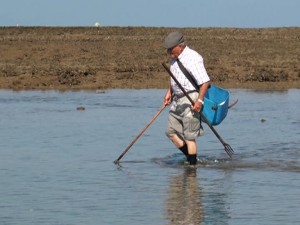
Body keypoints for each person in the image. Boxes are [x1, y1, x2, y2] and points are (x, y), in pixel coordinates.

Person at [163, 31, 211, 165]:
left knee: (190, 136)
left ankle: (192, 170)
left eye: (170, 49)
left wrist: (199, 101)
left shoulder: (193, 58)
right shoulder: (174, 58)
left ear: (180, 46)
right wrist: (169, 92)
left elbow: (205, 82)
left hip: (192, 98)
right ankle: (192, 159)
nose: (168, 52)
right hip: (177, 99)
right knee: (170, 131)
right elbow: (174, 77)